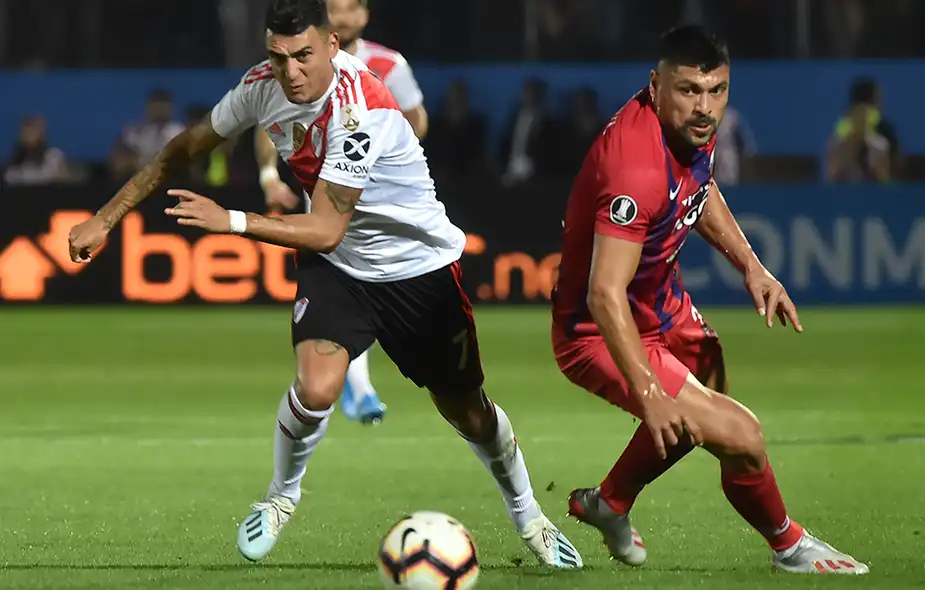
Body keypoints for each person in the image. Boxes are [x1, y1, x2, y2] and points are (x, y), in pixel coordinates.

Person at [67, 0, 582, 570]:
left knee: (469, 414)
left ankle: (531, 517)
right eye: (277, 56)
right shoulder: (260, 87)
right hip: (338, 265)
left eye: (303, 55)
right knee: (315, 390)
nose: (290, 71)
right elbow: (182, 150)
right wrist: (106, 218)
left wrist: (231, 220)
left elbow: (327, 226)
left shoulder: (362, 110)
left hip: (416, 269)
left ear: (332, 46)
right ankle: (280, 497)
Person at [550, 25, 869, 575]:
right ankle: (790, 547)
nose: (704, 107)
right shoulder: (634, 168)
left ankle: (611, 502)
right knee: (741, 435)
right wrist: (648, 390)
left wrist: (752, 266)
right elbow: (603, 294)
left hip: (662, 304)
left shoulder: (691, 129)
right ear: (655, 86)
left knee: (707, 387)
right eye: (689, 90)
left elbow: (700, 187)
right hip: (598, 330)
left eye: (716, 90)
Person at [255, 0, 429, 425]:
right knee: (346, 284)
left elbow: (416, 118)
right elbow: (267, 120)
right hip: (328, 199)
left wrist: (384, 154)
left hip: (383, 203)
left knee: (381, 286)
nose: (343, 16)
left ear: (365, 15)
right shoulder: (298, 65)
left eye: (351, 8)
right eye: (334, 7)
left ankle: (357, 380)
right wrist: (269, 175)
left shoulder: (388, 65)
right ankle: (360, 387)